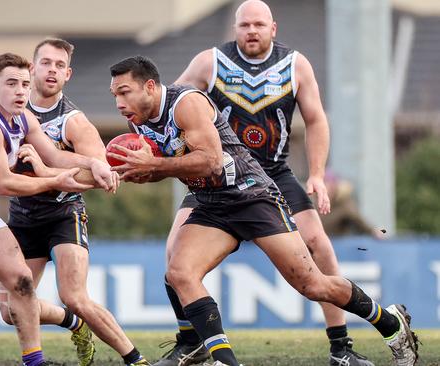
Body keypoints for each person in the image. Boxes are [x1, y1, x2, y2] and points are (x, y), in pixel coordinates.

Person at [107, 55, 418, 366]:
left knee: (313, 284)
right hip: (211, 203)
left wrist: (155, 165)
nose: (119, 102)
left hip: (251, 195)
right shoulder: (137, 118)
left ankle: (390, 324)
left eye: (124, 92)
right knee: (178, 272)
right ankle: (224, 360)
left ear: (149, 86)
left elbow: (212, 161)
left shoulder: (186, 103)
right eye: (115, 95)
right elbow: (172, 165)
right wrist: (142, 172)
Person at [152, 1, 377, 365]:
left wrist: (317, 173)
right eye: (244, 25)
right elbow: (170, 106)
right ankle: (190, 340)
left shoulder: (295, 64)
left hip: (274, 173)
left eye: (258, 24)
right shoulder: (209, 62)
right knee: (173, 251)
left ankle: (341, 348)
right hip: (216, 177)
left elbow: (317, 120)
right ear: (234, 29)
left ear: (273, 28)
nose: (251, 31)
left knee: (319, 245)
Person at [0, 39, 150, 366]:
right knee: (8, 311)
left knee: (74, 296)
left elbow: (101, 176)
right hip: (22, 217)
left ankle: (136, 359)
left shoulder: (73, 121)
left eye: (60, 66)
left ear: (68, 74)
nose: (52, 71)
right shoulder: (2, 109)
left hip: (64, 214)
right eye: (46, 63)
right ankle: (72, 324)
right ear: (32, 69)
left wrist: (46, 171)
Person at [321, 170, 385, 238]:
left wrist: (374, 231)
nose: (326, 188)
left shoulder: (344, 204)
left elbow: (359, 220)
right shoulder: (314, 203)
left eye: (328, 184)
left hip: (337, 243)